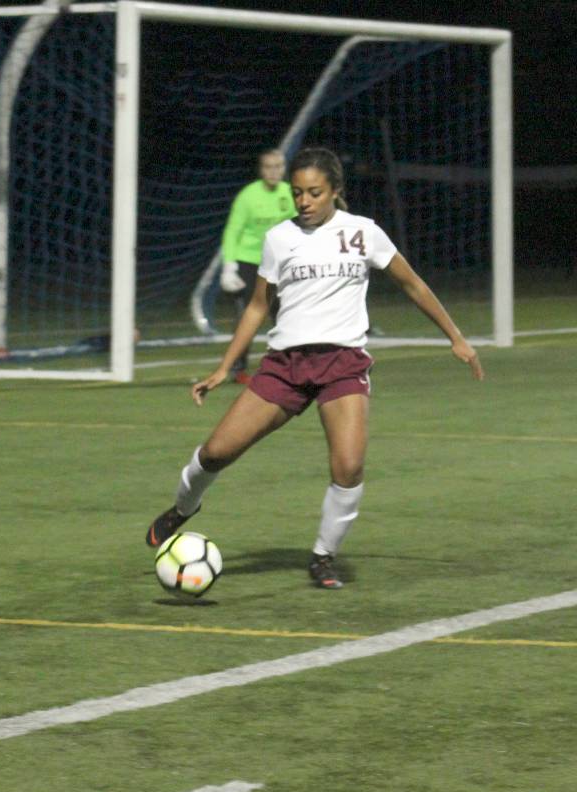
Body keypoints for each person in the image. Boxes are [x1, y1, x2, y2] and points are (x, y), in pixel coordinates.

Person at [145, 146, 484, 589]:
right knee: (216, 453)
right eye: (297, 193)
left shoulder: (364, 233)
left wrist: (455, 337)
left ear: (336, 192)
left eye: (314, 193)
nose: (304, 202)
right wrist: (224, 368)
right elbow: (257, 308)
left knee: (348, 466)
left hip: (342, 365)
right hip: (284, 365)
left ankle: (323, 558)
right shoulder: (279, 238)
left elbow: (413, 284)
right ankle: (182, 509)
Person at [218, 148, 297, 383]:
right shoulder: (248, 196)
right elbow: (233, 230)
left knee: (285, 315)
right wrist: (229, 265)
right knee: (246, 316)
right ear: (261, 170)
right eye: (268, 167)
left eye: (278, 166)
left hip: (281, 262)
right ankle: (237, 369)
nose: (274, 171)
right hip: (249, 262)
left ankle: (290, 365)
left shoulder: (290, 193)